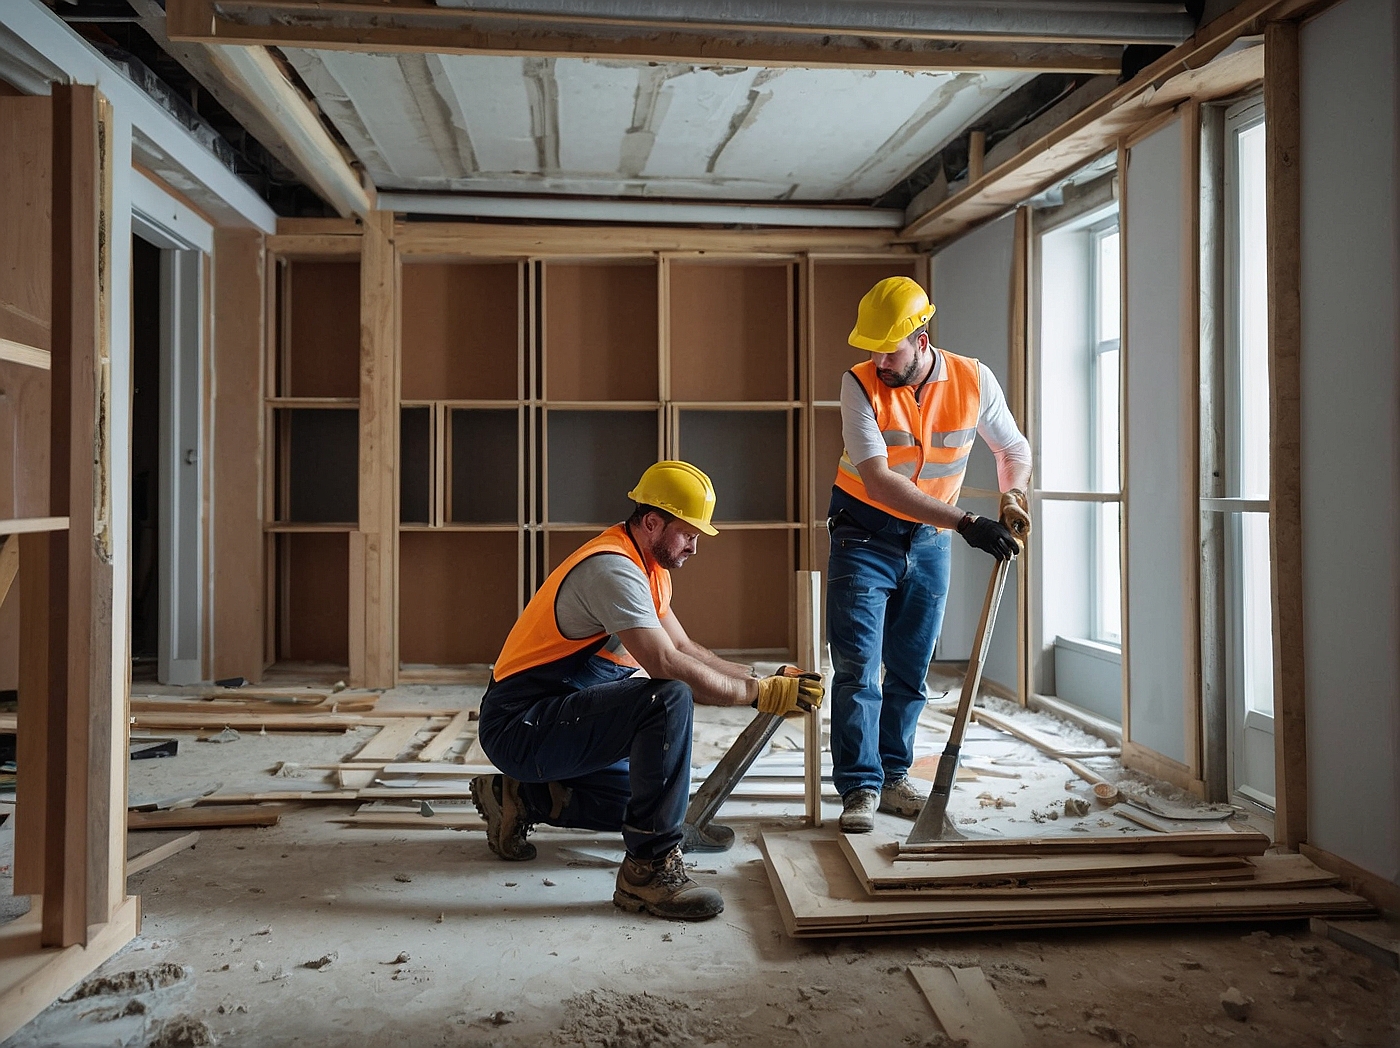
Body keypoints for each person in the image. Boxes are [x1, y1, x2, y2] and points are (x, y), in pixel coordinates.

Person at [471, 461, 824, 921]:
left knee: (657, 807)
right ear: (652, 521)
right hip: (522, 725)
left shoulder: (650, 567)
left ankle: (520, 797)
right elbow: (665, 664)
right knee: (666, 696)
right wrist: (757, 694)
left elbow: (683, 645)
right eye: (688, 533)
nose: (695, 547)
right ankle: (647, 872)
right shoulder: (612, 568)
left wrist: (763, 674)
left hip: (558, 717)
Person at [826, 276, 1032, 834]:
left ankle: (893, 776)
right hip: (863, 536)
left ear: (920, 336)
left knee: (911, 669)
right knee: (857, 670)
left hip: (930, 541)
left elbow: (1011, 447)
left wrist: (1013, 493)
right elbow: (879, 481)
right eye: (871, 346)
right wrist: (967, 521)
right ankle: (859, 787)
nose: (877, 358)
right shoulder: (859, 385)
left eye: (887, 346)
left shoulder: (973, 378)